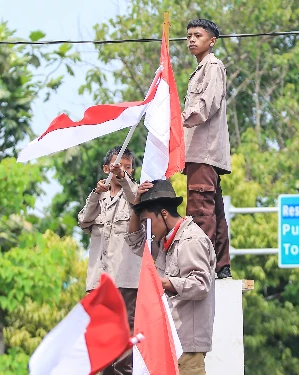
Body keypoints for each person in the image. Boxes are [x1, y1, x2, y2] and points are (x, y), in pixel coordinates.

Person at [126, 179, 216, 375]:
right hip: (169, 341)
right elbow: (134, 241)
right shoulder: (164, 243)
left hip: (187, 345)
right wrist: (136, 207)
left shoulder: (191, 239)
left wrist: (163, 283)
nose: (146, 228)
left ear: (164, 215)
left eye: (147, 221)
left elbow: (201, 285)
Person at [77, 146, 140, 375]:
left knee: (124, 344)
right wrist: (95, 193)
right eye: (116, 167)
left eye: (127, 167)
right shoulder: (98, 197)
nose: (122, 171)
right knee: (100, 341)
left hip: (124, 281)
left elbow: (138, 202)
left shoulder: (134, 194)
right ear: (106, 168)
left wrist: (124, 179)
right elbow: (84, 220)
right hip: (99, 282)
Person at [181, 18, 232, 279]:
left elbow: (205, 105)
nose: (191, 39)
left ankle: (200, 268)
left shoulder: (212, 66)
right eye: (189, 35)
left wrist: (177, 121)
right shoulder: (202, 67)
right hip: (201, 153)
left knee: (200, 211)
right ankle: (221, 267)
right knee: (214, 211)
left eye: (197, 35)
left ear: (211, 41)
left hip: (204, 151)